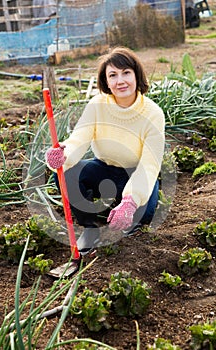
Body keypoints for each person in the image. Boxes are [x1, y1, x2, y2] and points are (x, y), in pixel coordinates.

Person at [45, 46, 165, 253]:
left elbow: (149, 164)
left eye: (126, 73)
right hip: (103, 168)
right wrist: (63, 154)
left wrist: (131, 200)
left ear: (137, 75)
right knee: (65, 173)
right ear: (106, 82)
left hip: (137, 173)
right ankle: (89, 227)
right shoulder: (97, 105)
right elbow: (78, 140)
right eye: (113, 75)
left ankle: (125, 206)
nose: (121, 81)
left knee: (144, 215)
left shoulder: (153, 113)